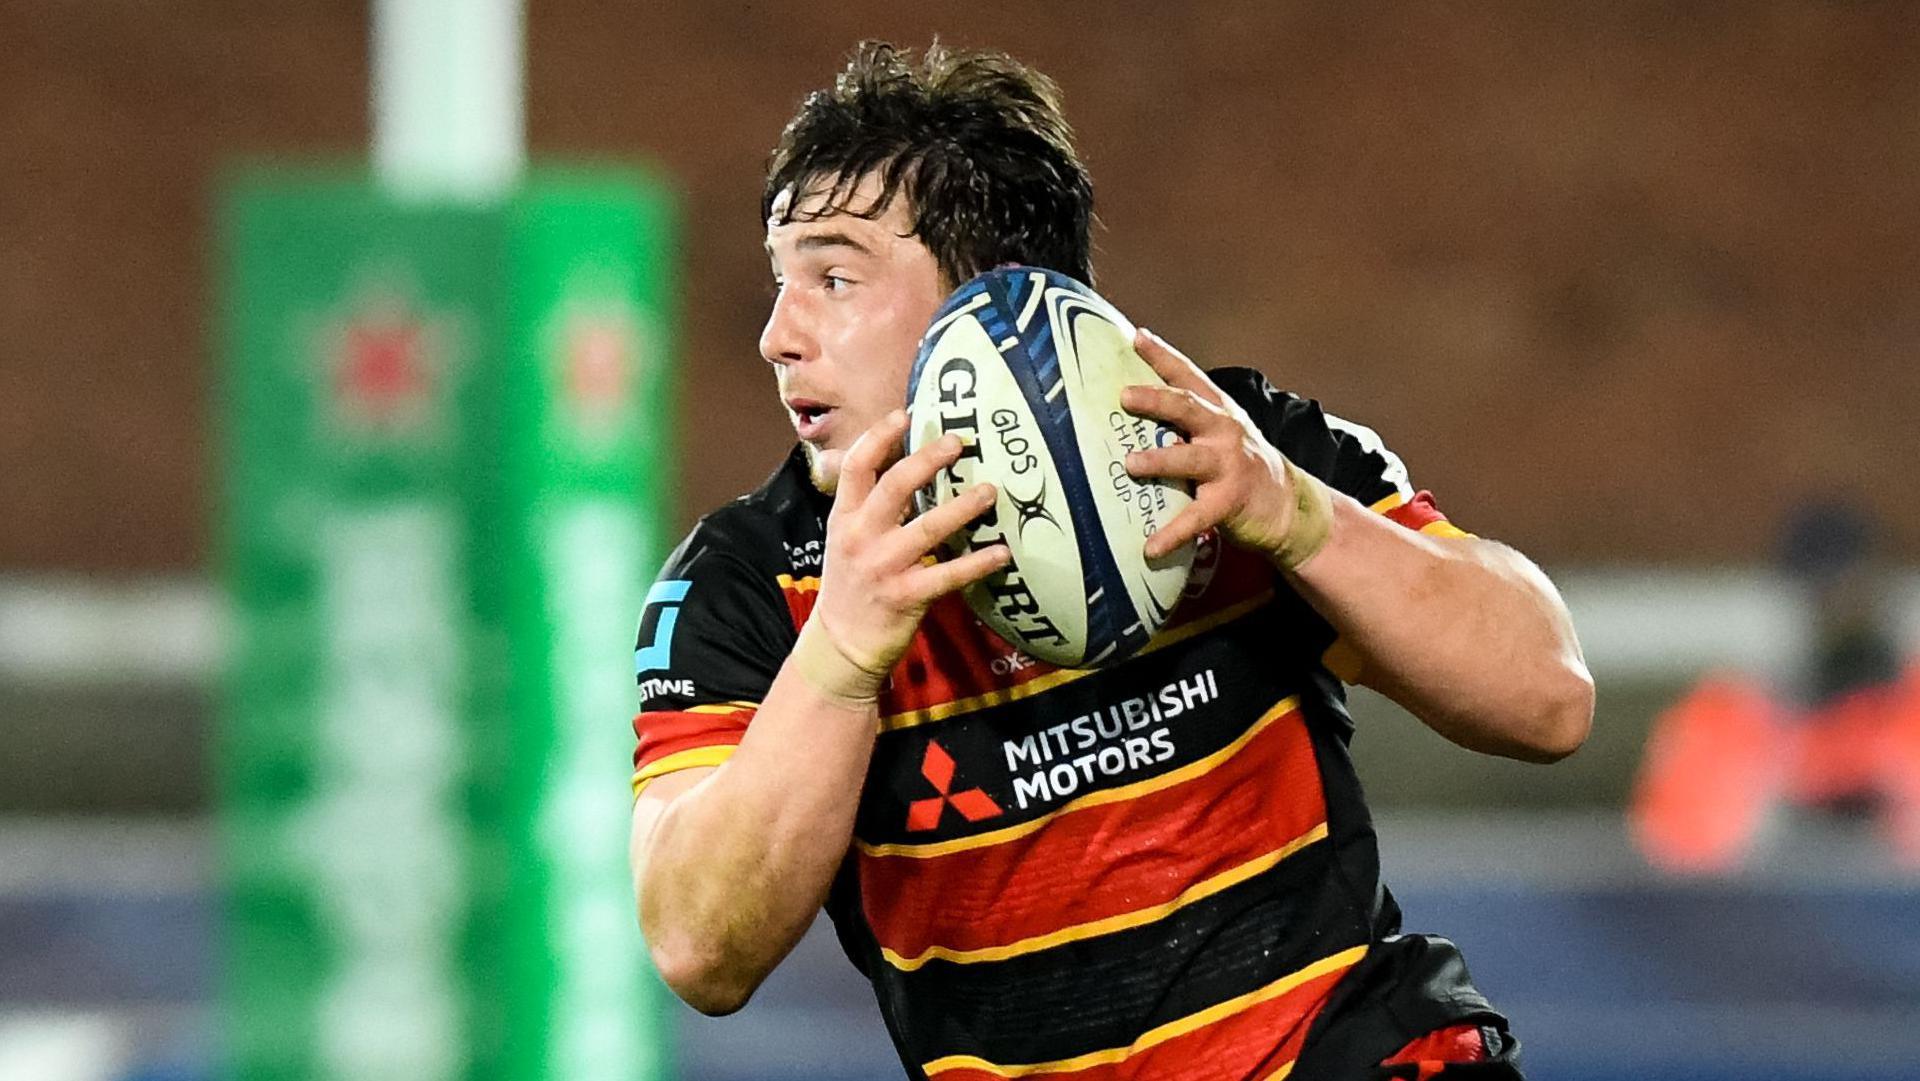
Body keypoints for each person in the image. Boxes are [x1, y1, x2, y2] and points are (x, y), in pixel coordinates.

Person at [628, 41, 1593, 1081]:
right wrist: (842, 654)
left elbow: (1548, 701)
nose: (777, 335)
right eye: (784, 282)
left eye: (832, 276)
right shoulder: (746, 580)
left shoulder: (1227, 451)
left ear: (992, 296)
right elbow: (698, 950)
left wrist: (1302, 520)